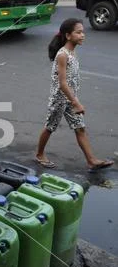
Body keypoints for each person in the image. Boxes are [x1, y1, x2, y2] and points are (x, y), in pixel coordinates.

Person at [35, 18, 114, 171]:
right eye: (78, 32)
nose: (82, 35)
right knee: (50, 127)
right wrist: (76, 102)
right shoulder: (62, 55)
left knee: (80, 127)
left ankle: (91, 161)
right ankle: (39, 154)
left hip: (71, 98)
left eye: (82, 32)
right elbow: (62, 83)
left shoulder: (72, 52)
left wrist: (74, 99)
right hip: (59, 99)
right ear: (68, 35)